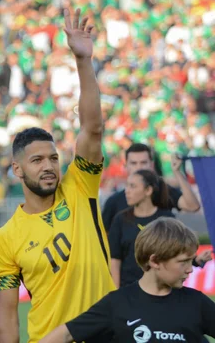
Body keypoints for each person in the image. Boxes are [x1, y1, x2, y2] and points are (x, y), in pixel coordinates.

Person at [0, 9, 115, 343]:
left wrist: (83, 61)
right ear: (17, 169)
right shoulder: (6, 238)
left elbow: (92, 128)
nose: (48, 166)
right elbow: (6, 314)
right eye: (36, 161)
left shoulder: (80, 185)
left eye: (52, 158)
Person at [39, 218, 215, 343]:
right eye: (183, 261)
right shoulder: (117, 304)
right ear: (154, 261)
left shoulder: (197, 303)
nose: (190, 268)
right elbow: (65, 335)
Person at [109, 169, 213, 288]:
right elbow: (115, 260)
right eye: (127, 186)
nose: (127, 191)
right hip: (128, 290)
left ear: (148, 190)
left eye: (132, 186)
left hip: (162, 291)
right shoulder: (120, 219)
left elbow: (176, 253)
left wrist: (196, 260)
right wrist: (116, 292)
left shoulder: (167, 219)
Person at [102, 143, 201, 231]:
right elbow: (103, 236)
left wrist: (177, 172)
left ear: (151, 165)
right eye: (133, 163)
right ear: (126, 166)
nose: (139, 167)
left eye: (143, 162)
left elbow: (193, 206)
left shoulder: (164, 191)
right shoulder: (114, 202)